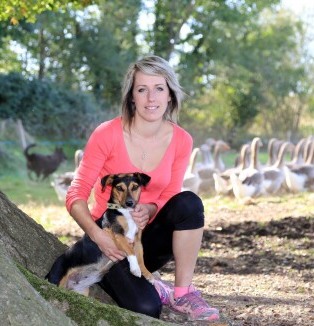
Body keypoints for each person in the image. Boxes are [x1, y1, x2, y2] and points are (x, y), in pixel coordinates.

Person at [65, 54, 219, 321]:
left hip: (147, 239)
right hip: (109, 242)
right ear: (131, 97)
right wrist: (96, 234)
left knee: (189, 203)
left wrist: (149, 207)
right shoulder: (107, 134)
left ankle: (182, 293)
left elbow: (170, 194)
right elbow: (76, 193)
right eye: (142, 89)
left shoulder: (181, 140)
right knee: (148, 309)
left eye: (159, 88)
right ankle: (145, 285)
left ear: (170, 94)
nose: (151, 98)